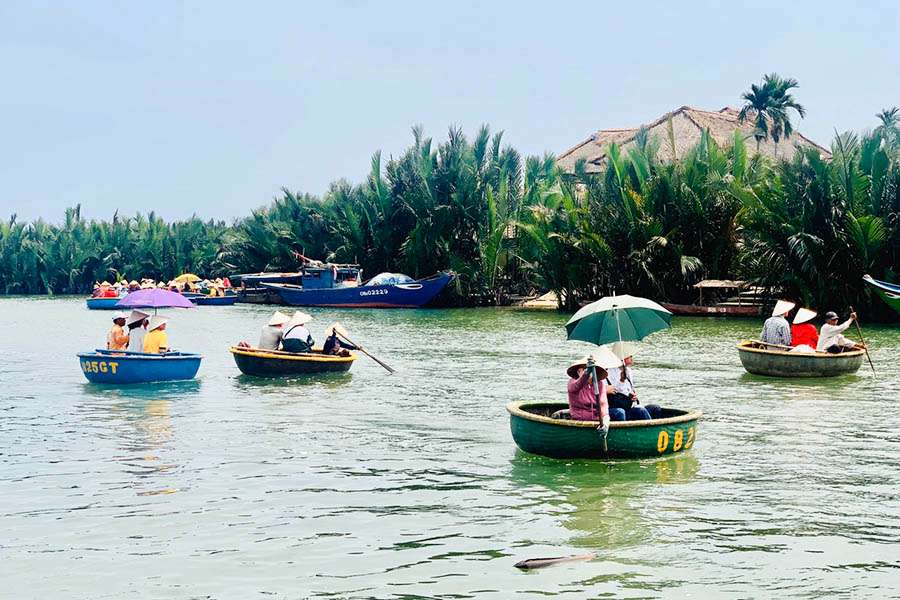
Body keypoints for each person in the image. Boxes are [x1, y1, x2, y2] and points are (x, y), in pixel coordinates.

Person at [566, 356, 613, 433]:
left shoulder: (599, 384)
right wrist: (587, 373)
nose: (587, 372)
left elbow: (603, 405)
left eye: (589, 370)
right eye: (583, 370)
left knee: (618, 413)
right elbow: (579, 384)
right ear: (578, 372)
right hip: (579, 421)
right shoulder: (572, 382)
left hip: (597, 421)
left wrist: (605, 422)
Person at [606, 356, 662, 420]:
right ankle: (651, 429)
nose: (632, 359)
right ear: (623, 358)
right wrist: (621, 380)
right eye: (629, 357)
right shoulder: (609, 372)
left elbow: (629, 390)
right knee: (640, 411)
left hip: (628, 406)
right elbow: (614, 390)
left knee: (655, 408)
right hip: (616, 407)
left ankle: (654, 427)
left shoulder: (628, 371)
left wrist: (633, 396)